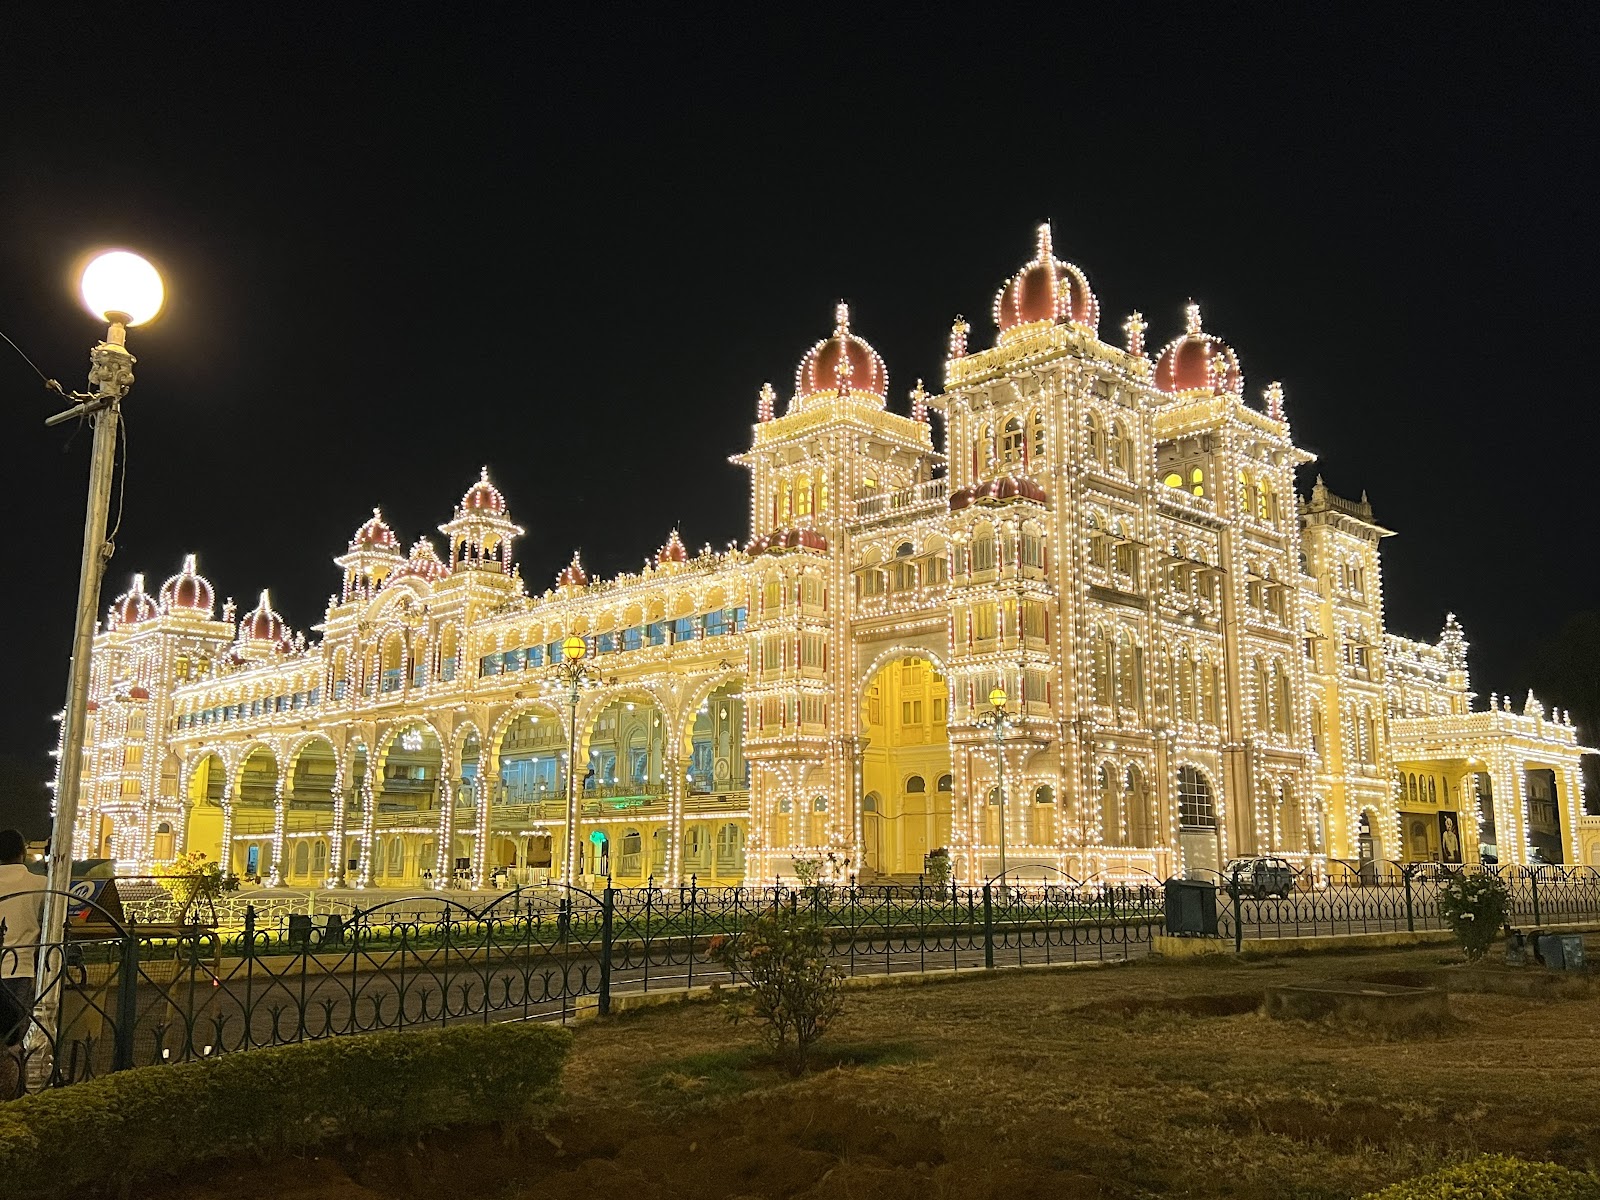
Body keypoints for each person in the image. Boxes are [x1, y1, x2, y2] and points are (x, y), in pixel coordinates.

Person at [0, 828, 47, 1096]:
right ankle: (14, 1092)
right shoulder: (38, 884)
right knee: (14, 1038)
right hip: (20, 967)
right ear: (23, 853)